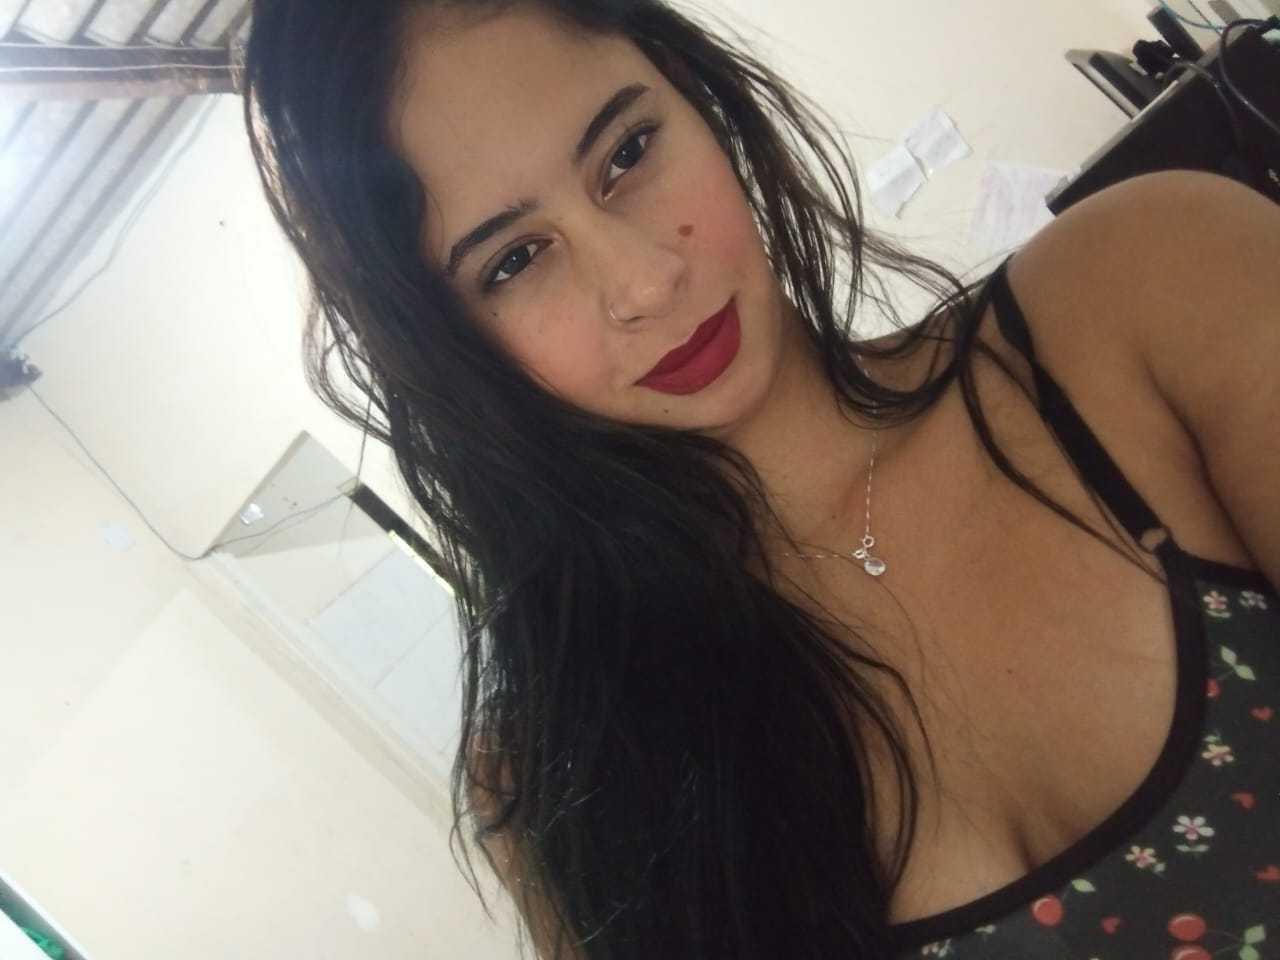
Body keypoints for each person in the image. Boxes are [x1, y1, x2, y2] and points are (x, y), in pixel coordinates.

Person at [240, 2, 1280, 957]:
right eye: (513, 261)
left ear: (697, 95)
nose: (644, 281)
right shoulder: (561, 776)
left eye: (627, 152)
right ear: (453, 351)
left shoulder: (1145, 288)